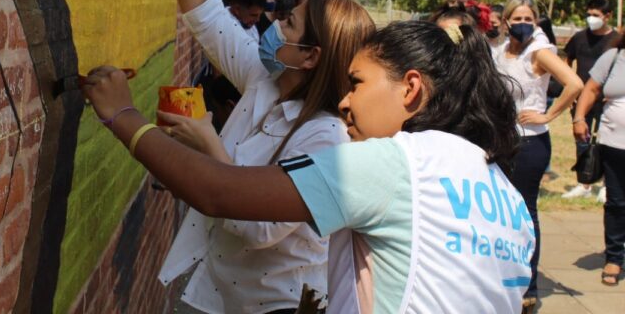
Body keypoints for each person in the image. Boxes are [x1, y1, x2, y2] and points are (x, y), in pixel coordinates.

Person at [83, 19, 535, 314]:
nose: (344, 101)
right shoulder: (507, 197)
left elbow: (218, 192)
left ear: (411, 89)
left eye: (357, 84)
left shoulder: (398, 164)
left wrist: (123, 116)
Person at [142, 0, 375, 313]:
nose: (272, 29)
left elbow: (257, 227)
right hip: (218, 293)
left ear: (309, 56)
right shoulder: (264, 82)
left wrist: (206, 142)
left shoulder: (325, 138)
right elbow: (206, 14)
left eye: (288, 25)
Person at [492, 0, 583, 312]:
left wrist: (546, 114)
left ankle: (528, 286)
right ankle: (504, 276)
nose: (522, 24)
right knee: (500, 212)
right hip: (501, 141)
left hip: (530, 144)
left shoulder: (539, 52)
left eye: (528, 19)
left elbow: (574, 83)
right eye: (516, 19)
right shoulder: (500, 51)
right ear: (505, 22)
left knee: (525, 213)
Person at [572, 40, 625, 286]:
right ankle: (614, 256)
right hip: (613, 144)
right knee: (616, 202)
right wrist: (579, 118)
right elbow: (591, 89)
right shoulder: (614, 57)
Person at [563, 0, 619, 200]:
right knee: (582, 141)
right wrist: (569, 90)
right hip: (581, 101)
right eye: (589, 14)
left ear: (607, 16)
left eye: (596, 15)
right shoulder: (579, 38)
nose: (591, 19)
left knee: (606, 142)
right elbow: (565, 60)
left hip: (606, 101)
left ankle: (605, 184)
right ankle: (584, 182)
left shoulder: (615, 40)